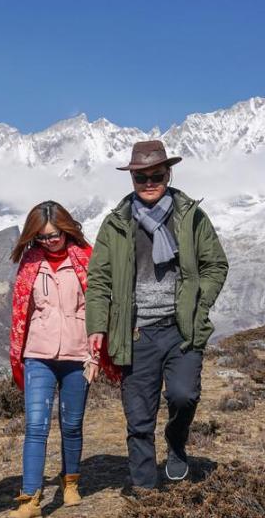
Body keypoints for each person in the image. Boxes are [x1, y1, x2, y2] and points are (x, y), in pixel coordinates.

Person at [85, 140, 228, 492]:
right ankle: (145, 487)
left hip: (181, 329)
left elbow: (216, 265)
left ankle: (177, 443)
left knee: (183, 396)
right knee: (138, 416)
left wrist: (198, 303)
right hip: (134, 333)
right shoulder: (116, 223)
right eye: (141, 177)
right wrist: (97, 326)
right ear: (132, 179)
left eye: (156, 175)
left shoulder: (190, 216)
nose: (149, 183)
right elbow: (100, 278)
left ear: (168, 173)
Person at [6, 201, 118, 518]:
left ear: (66, 229)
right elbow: (20, 312)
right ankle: (30, 499)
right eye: (41, 238)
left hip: (76, 353)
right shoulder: (30, 262)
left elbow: (100, 311)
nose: (49, 242)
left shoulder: (86, 257)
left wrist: (95, 357)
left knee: (71, 423)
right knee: (35, 425)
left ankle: (71, 482)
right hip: (38, 353)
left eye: (54, 235)